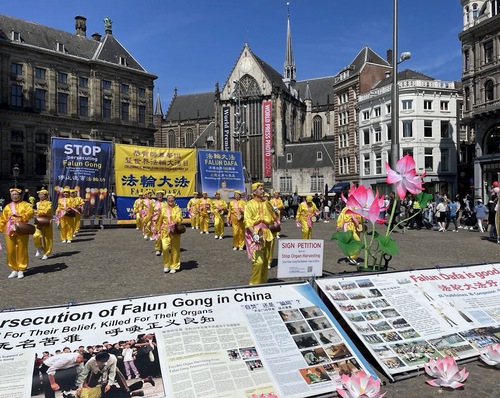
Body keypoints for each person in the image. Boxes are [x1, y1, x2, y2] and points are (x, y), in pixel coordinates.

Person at [244, 182, 278, 285]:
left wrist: (275, 212)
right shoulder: (249, 204)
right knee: (258, 261)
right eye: (261, 189)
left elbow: (273, 218)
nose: (263, 191)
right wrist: (253, 233)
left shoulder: (267, 203)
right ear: (254, 191)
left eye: (263, 189)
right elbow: (247, 220)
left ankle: (263, 282)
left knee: (265, 260)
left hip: (267, 233)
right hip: (256, 233)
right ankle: (253, 284)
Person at [0, 188, 35, 279]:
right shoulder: (7, 206)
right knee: (10, 250)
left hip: (22, 229)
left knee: (22, 249)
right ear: (10, 196)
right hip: (9, 230)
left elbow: (31, 213)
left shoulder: (26, 205)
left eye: (16, 194)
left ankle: (21, 269)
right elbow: (3, 219)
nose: (15, 196)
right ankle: (13, 268)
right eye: (13, 194)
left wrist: (20, 216)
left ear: (20, 195)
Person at [158, 194, 183, 274]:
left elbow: (179, 218)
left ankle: (174, 266)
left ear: (174, 200)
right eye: (169, 199)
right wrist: (156, 229)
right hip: (165, 231)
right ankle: (166, 265)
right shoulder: (163, 209)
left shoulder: (177, 209)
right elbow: (160, 220)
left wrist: (175, 222)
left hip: (174, 231)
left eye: (172, 199)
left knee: (175, 249)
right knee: (165, 248)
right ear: (167, 200)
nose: (170, 200)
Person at [33, 189, 53, 260]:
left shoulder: (49, 203)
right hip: (39, 221)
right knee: (36, 235)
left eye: (42, 194)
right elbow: (35, 211)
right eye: (39, 194)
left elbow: (47, 211)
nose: (40, 195)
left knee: (47, 238)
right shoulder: (37, 203)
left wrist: (38, 212)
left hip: (47, 220)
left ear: (46, 195)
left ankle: (46, 253)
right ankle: (39, 247)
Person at [151, 190, 166, 256]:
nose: (160, 196)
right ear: (156, 196)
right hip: (156, 222)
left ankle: (164, 249)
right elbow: (150, 213)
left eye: (161, 195)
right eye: (158, 195)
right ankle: (158, 249)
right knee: (157, 236)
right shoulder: (153, 204)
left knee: (164, 235)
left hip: (164, 222)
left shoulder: (166, 203)